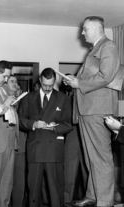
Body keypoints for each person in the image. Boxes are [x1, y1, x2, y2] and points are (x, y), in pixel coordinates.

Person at [63, 16, 120, 207]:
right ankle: (93, 195)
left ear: (96, 28)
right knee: (90, 156)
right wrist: (74, 80)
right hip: (88, 109)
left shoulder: (108, 47)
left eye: (85, 29)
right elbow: (93, 76)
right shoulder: (96, 49)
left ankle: (104, 202)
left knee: (101, 157)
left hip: (98, 109)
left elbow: (106, 76)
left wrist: (79, 83)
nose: (82, 32)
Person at [18, 67, 72, 207]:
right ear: (40, 81)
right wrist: (33, 124)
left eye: (51, 85)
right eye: (44, 84)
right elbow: (21, 120)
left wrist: (55, 127)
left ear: (54, 82)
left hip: (54, 149)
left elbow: (69, 123)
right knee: (33, 191)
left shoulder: (63, 98)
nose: (48, 88)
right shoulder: (28, 98)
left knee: (56, 191)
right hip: (35, 149)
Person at [61, 76, 87, 204]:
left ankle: (89, 199)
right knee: (69, 172)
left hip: (85, 134)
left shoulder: (84, 92)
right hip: (71, 136)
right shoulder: (63, 98)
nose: (66, 83)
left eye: (68, 80)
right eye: (64, 81)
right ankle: (66, 201)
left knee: (87, 170)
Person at [0, 60, 18, 207]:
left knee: (6, 184)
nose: (6, 80)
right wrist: (4, 105)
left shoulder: (3, 89)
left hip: (9, 143)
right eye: (4, 76)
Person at [5, 79, 27, 207]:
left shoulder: (23, 101)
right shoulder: (0, 99)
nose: (16, 85)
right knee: (4, 182)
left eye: (17, 83)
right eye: (12, 81)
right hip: (3, 146)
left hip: (20, 146)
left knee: (19, 182)